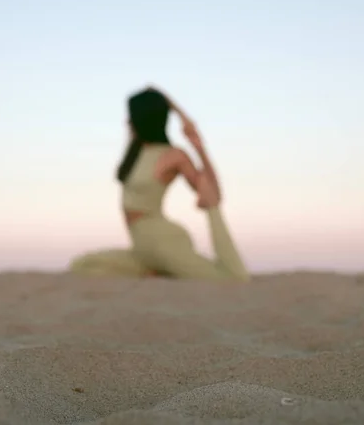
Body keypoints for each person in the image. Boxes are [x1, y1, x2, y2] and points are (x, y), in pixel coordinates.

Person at [69, 87, 250, 281]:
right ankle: (160, 271)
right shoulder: (136, 152)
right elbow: (157, 94)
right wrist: (171, 105)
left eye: (132, 117)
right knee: (81, 265)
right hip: (142, 248)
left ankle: (166, 267)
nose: (127, 122)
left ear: (145, 119)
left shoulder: (173, 156)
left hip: (161, 241)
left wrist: (198, 146)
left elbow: (213, 194)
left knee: (228, 278)